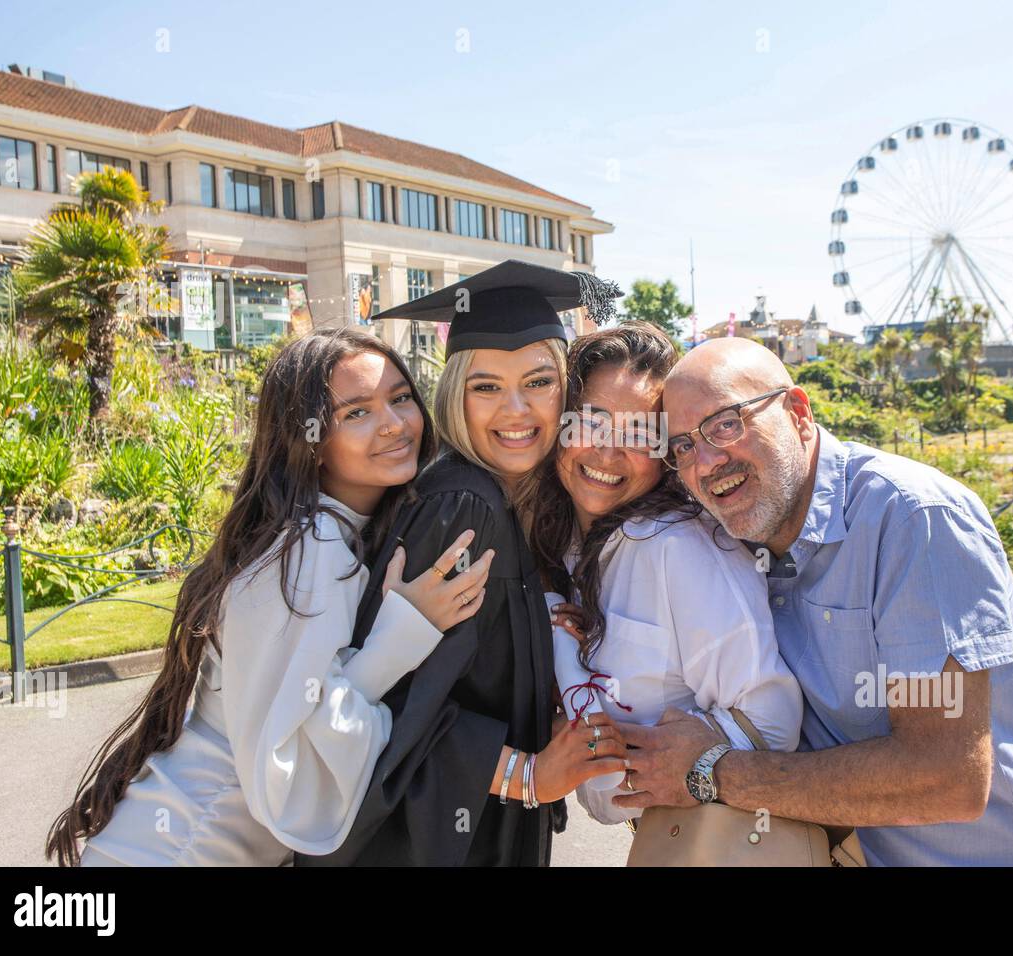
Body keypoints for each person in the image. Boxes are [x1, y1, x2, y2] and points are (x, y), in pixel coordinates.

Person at [612, 337, 1013, 866]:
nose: (707, 461)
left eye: (725, 423)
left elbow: (946, 777)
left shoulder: (912, 520)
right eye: (684, 447)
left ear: (798, 412)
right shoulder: (736, 540)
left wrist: (710, 773)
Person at [49, 329, 492, 866]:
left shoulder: (333, 534)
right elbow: (292, 762)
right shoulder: (309, 551)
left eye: (400, 398)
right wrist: (400, 637)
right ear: (308, 439)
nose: (395, 424)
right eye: (356, 413)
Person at [298, 260, 630, 867]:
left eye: (538, 382)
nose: (516, 411)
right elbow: (396, 702)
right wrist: (527, 776)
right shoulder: (462, 505)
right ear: (455, 393)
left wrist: (540, 631)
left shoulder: (498, 500)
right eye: (486, 386)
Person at [529, 323, 802, 839]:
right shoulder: (566, 543)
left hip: (712, 840)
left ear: (666, 453)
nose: (609, 453)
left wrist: (684, 768)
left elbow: (773, 718)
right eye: (592, 421)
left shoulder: (677, 547)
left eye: (639, 434)